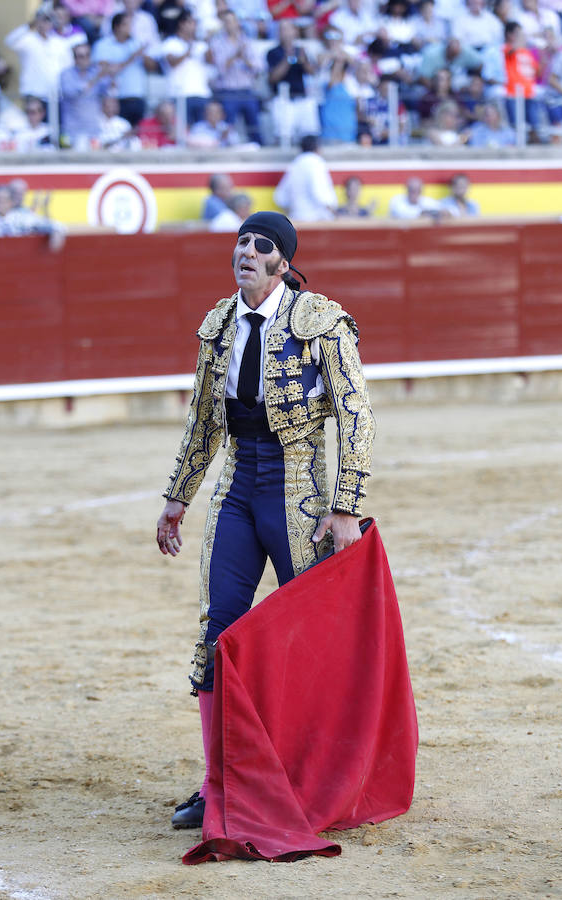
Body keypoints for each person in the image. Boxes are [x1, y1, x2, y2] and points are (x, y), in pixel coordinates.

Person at [156, 210, 375, 829]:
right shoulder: (219, 325)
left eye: (262, 245)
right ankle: (218, 784)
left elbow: (356, 415)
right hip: (235, 489)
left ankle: (308, 780)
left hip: (300, 492)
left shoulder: (320, 321)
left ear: (284, 262)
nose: (246, 251)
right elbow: (204, 421)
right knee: (216, 634)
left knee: (307, 643)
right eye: (242, 241)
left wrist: (347, 506)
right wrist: (178, 497)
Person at [209, 9, 263, 145]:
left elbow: (258, 67)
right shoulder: (217, 43)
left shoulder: (247, 42)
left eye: (233, 21)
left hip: (246, 90)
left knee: (254, 126)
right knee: (227, 126)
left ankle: (258, 147)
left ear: (237, 23)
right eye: (227, 22)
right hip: (228, 91)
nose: (230, 25)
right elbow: (220, 68)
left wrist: (244, 59)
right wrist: (235, 55)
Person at [92, 12, 153, 125]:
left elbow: (151, 67)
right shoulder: (103, 45)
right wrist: (133, 56)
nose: (131, 28)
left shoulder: (136, 43)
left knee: (137, 135)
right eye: (127, 24)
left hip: (137, 97)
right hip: (114, 99)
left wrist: (144, 55)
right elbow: (107, 70)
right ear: (117, 26)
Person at [266, 20, 320, 142]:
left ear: (294, 32)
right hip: (284, 99)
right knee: (284, 136)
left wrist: (303, 61)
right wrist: (287, 59)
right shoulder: (273, 52)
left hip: (302, 97)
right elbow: (272, 78)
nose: (285, 33)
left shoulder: (301, 51)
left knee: (309, 134)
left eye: (288, 29)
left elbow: (312, 72)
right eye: (282, 30)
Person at [274, 134, 338, 221]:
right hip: (316, 220)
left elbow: (280, 197)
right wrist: (333, 211)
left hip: (296, 218)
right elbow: (318, 193)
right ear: (317, 148)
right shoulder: (316, 162)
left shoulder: (295, 165)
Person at [60, 41, 111, 149]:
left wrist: (109, 74)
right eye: (81, 56)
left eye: (87, 55)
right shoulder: (66, 74)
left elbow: (107, 91)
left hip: (94, 129)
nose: (85, 59)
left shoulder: (95, 72)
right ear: (75, 58)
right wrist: (96, 78)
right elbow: (72, 92)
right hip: (73, 131)